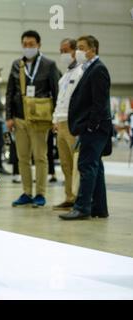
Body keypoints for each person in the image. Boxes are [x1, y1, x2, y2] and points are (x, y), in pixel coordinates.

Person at [59, 35, 112, 220]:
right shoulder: (90, 69)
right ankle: (99, 208)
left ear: (93, 49)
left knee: (86, 166)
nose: (78, 52)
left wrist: (91, 126)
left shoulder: (98, 70)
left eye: (81, 47)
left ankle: (82, 208)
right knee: (96, 168)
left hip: (95, 129)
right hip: (92, 127)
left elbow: (100, 103)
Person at [5, 30, 60, 208]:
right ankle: (27, 192)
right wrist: (9, 117)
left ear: (39, 45)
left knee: (40, 157)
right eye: (25, 44)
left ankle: (40, 193)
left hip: (40, 120)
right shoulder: (16, 65)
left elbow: (56, 92)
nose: (28, 47)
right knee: (22, 158)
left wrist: (55, 118)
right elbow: (10, 92)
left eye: (31, 44)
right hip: (19, 119)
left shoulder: (49, 65)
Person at [52, 38, 84, 210]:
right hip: (61, 123)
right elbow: (60, 100)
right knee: (65, 163)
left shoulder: (81, 72)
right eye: (61, 51)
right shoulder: (64, 75)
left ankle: (79, 198)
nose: (63, 54)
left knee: (76, 163)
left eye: (66, 50)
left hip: (73, 123)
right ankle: (69, 197)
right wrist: (55, 119)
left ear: (74, 52)